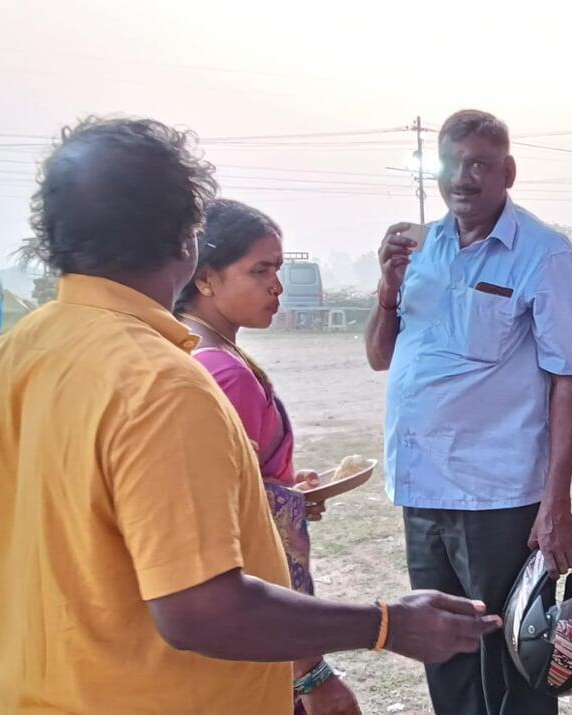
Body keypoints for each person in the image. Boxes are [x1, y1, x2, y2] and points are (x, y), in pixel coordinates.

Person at [0, 117, 499, 715]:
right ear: (187, 241)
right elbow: (200, 610)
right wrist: (386, 625)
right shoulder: (159, 384)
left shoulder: (12, 355)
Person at [366, 109, 572, 715]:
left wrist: (556, 503)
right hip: (422, 489)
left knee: (514, 656)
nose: (462, 178)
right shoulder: (419, 247)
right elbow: (381, 356)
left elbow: (569, 380)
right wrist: (387, 293)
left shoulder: (544, 256)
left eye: (479, 165)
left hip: (498, 496)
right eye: (451, 164)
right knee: (444, 651)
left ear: (507, 172)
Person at [174, 198, 357, 714]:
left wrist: (285, 487)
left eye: (278, 269)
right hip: (260, 618)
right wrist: (312, 673)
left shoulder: (199, 352)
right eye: (260, 270)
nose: (276, 285)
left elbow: (245, 483)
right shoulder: (222, 373)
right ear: (206, 278)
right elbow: (242, 526)